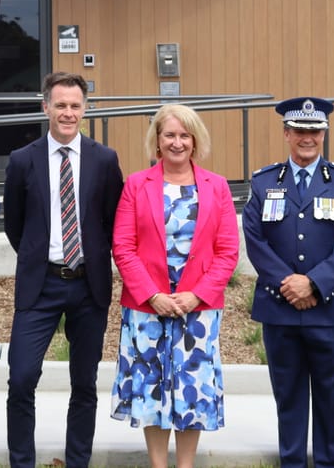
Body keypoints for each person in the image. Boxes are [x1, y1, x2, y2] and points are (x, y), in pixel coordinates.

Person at [3, 71, 124, 468]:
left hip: (88, 286)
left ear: (84, 109)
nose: (67, 113)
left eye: (75, 106)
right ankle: (22, 461)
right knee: (21, 377)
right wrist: (44, 257)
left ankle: (77, 462)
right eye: (60, 105)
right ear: (46, 107)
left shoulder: (105, 160)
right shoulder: (23, 161)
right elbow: (18, 229)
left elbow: (112, 221)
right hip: (41, 284)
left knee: (84, 384)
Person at [109, 103, 239, 468]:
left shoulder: (217, 187)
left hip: (197, 309)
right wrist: (153, 295)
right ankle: (157, 464)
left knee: (191, 390)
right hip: (147, 307)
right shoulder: (136, 185)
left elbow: (227, 251)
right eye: (169, 135)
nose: (177, 142)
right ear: (157, 139)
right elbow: (123, 246)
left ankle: (185, 465)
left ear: (195, 140)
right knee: (151, 387)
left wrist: (196, 294)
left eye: (184, 135)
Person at [242, 97, 334, 468]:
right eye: (299, 130)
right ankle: (292, 462)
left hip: (329, 309)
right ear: (286, 134)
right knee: (288, 396)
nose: (307, 138)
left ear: (324, 135)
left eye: (314, 131)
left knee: (330, 398)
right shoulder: (265, 182)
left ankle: (331, 464)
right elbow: (255, 239)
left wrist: (313, 283)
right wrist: (289, 283)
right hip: (280, 309)